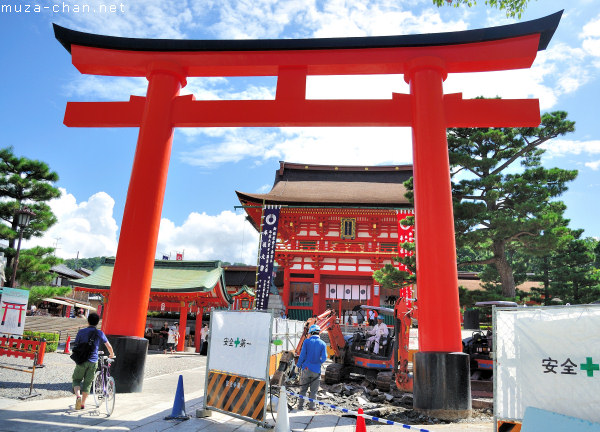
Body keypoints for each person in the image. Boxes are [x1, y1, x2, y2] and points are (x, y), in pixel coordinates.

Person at [72, 312, 115, 410]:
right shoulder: (99, 333)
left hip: (81, 360)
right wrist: (111, 354)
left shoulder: (81, 332)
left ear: (88, 321)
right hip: (93, 361)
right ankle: (82, 403)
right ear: (97, 322)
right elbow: (108, 346)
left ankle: (78, 396)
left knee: (76, 380)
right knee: (88, 383)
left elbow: (76, 345)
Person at [297, 324, 327, 411]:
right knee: (314, 391)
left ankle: (300, 407)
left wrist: (298, 365)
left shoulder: (306, 342)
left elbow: (302, 355)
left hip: (306, 369)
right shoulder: (323, 344)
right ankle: (312, 407)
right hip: (316, 371)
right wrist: (318, 363)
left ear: (311, 332)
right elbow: (324, 358)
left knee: (303, 390)